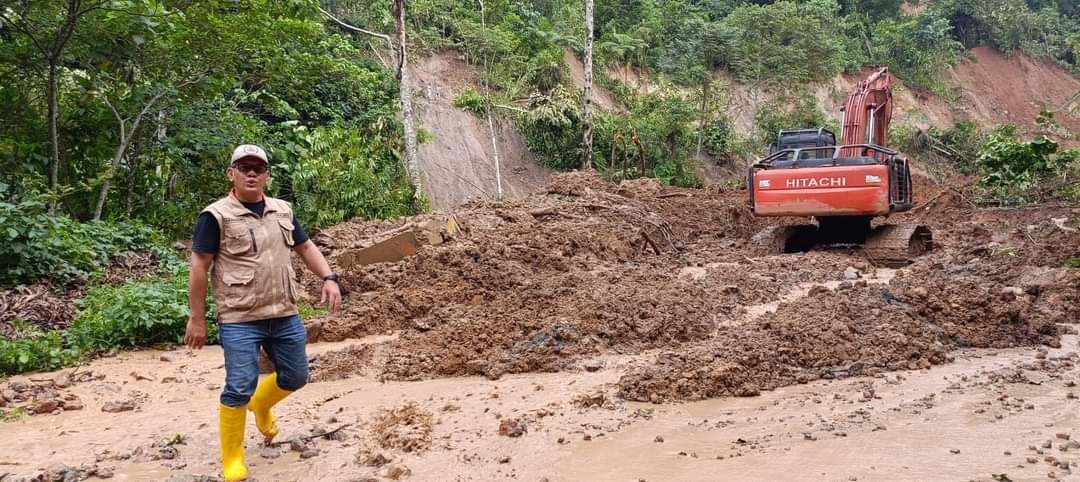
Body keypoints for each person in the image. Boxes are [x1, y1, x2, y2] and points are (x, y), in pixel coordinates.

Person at [184, 144, 342, 482]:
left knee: (296, 376)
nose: (251, 173)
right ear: (232, 174)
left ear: (268, 176)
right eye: (244, 167)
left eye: (258, 168)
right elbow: (199, 266)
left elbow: (305, 247)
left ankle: (262, 404)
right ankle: (233, 459)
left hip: (283, 312)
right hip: (240, 317)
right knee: (239, 386)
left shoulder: (282, 210)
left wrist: (328, 278)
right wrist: (197, 318)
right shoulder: (216, 216)